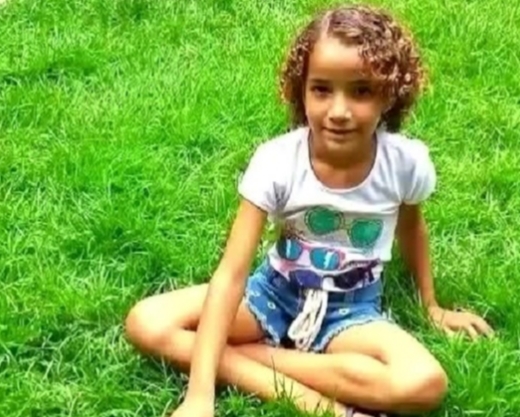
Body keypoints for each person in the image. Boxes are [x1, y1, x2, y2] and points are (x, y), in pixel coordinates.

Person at [124, 4, 494, 417]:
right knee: (147, 321)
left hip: (352, 310)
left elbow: (412, 229)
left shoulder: (406, 163)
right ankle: (320, 404)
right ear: (301, 91)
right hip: (272, 295)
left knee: (424, 383)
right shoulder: (277, 161)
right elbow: (231, 274)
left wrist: (430, 304)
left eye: (361, 91)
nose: (339, 111)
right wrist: (199, 396)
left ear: (389, 94)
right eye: (321, 89)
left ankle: (255, 359)